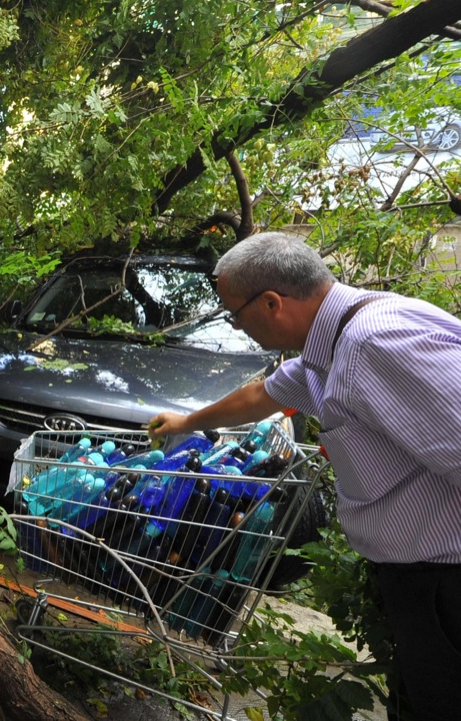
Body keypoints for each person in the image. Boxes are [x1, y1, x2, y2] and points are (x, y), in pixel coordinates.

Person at [148, 232, 461, 719]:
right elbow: (261, 396)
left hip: (446, 587)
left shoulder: (376, 343)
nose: (236, 325)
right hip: (417, 584)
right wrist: (186, 423)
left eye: (235, 314)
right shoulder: (332, 343)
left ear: (272, 303)